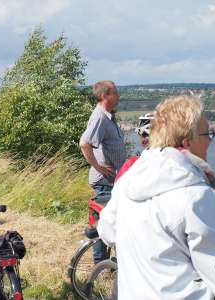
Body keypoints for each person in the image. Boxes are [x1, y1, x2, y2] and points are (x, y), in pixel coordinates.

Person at [98, 95, 215, 300]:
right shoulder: (196, 195)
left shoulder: (129, 180)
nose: (210, 141)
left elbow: (107, 231)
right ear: (188, 141)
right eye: (208, 134)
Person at [79, 80, 126, 263]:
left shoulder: (107, 116)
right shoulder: (99, 117)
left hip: (111, 180)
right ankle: (100, 264)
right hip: (105, 181)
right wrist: (98, 167)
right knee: (103, 223)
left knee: (108, 222)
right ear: (105, 95)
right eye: (115, 92)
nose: (118, 96)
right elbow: (85, 143)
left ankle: (105, 263)